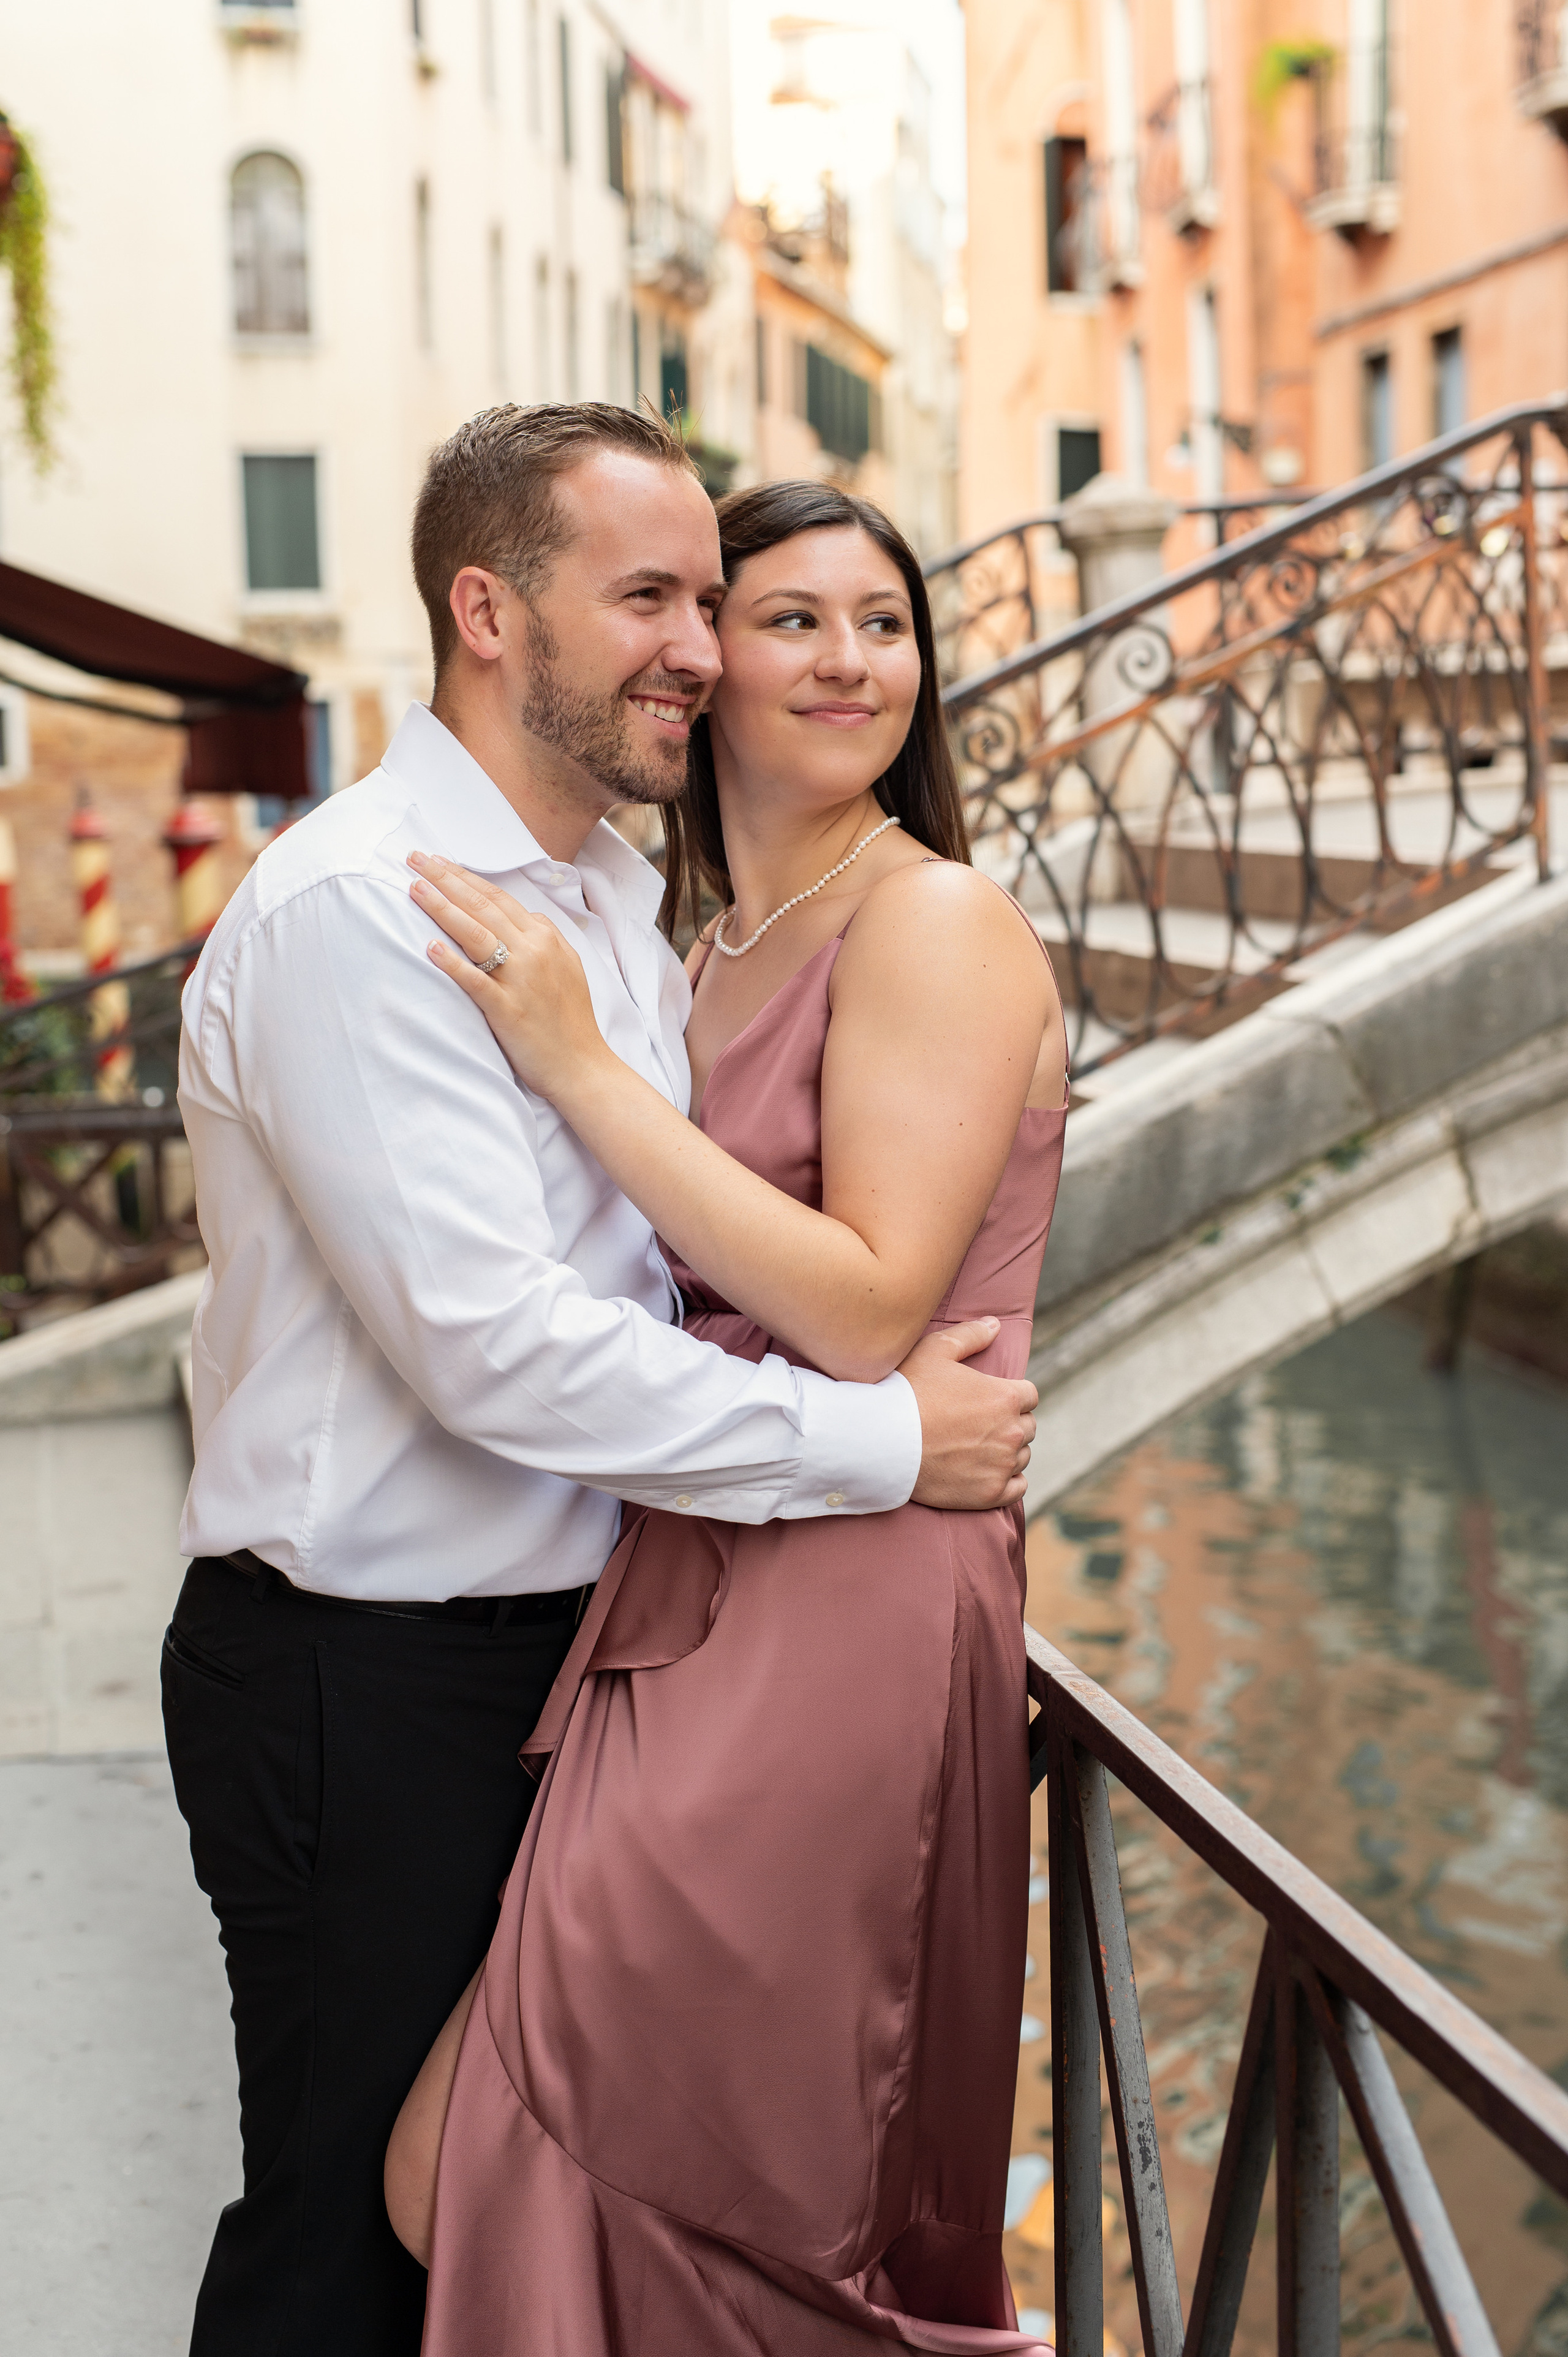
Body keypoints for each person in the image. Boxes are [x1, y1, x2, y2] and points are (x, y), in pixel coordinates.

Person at [165, 407, 1038, 2357]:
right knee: (355, 2236)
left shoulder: (619, 909)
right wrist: (883, 1440)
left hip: (592, 1650)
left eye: (711, 604)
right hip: (370, 1672)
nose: (700, 651)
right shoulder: (363, 908)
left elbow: (671, 1269)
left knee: (533, 2220)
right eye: (657, 598)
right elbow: (501, 1349)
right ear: (490, 614)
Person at [388, 477, 1069, 2352]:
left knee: (660, 2174)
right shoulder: (700, 949)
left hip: (848, 1600)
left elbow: (864, 1306)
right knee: (495, 2164)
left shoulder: (933, 920)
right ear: (703, 669)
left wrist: (577, 1070)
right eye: (792, 619)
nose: (851, 661)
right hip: (705, 1567)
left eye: (885, 624)